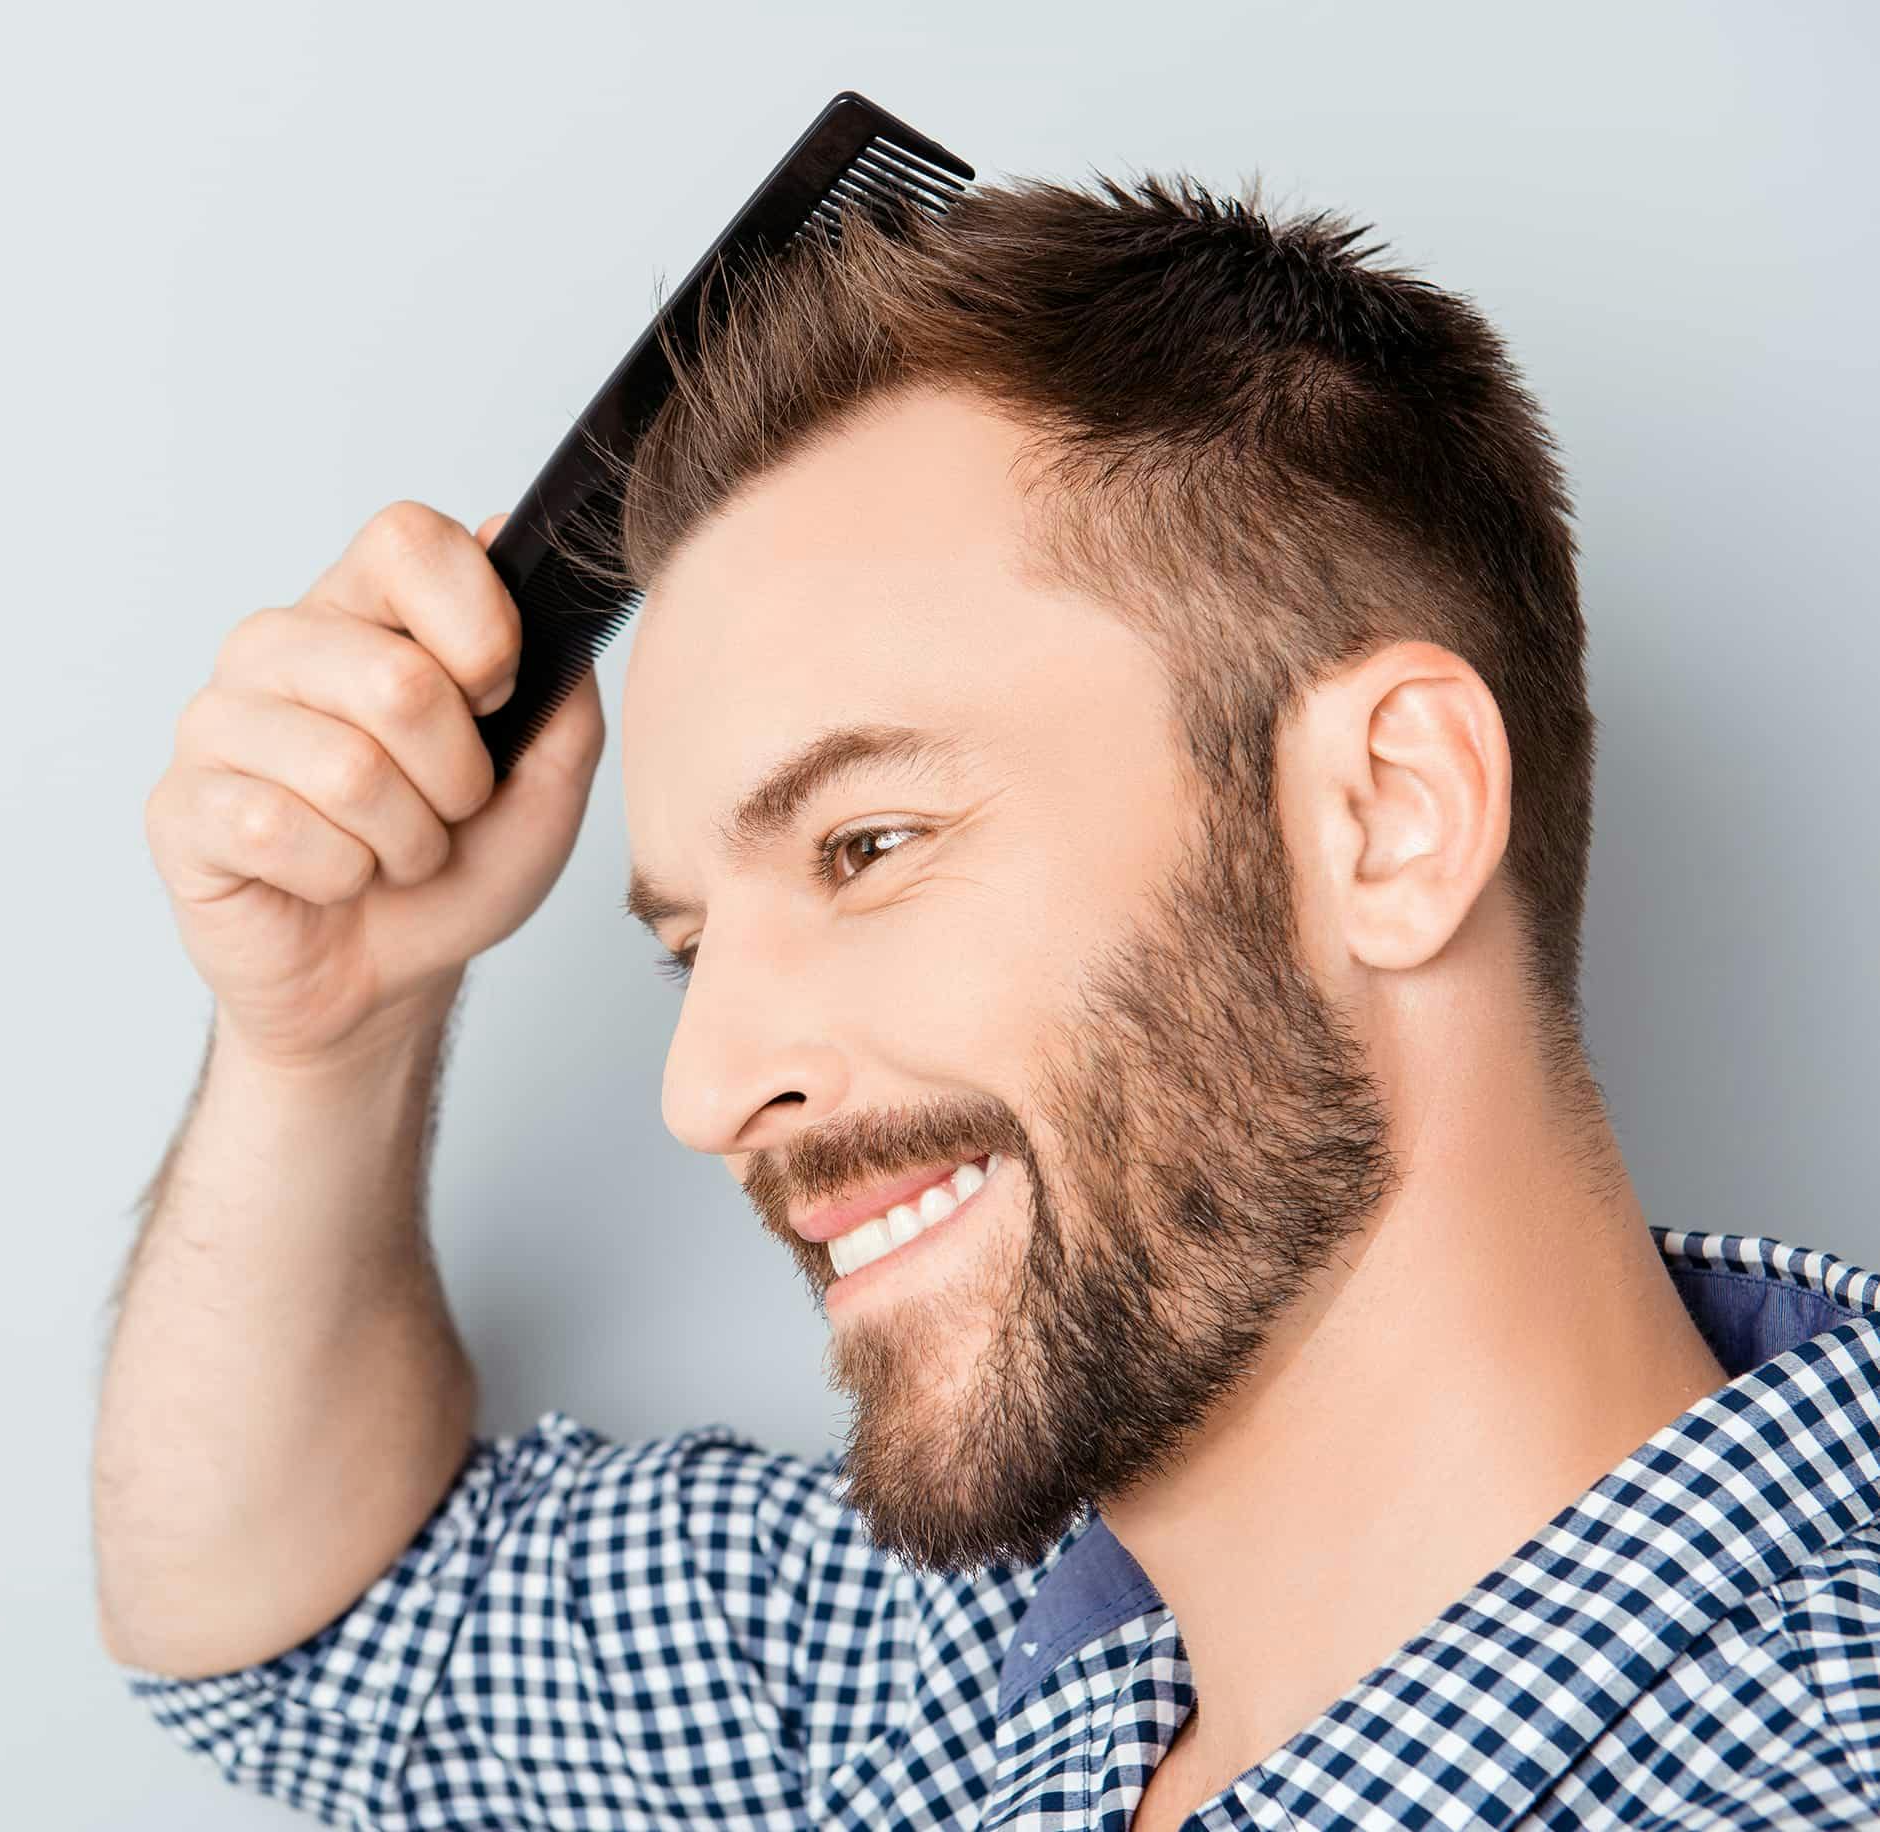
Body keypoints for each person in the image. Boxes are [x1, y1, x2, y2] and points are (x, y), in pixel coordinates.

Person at [95, 173, 1880, 1831]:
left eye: (866, 845)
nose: (705, 1085)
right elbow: (317, 1640)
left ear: (1385, 816)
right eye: (690, 949)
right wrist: (325, 1033)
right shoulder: (963, 1676)